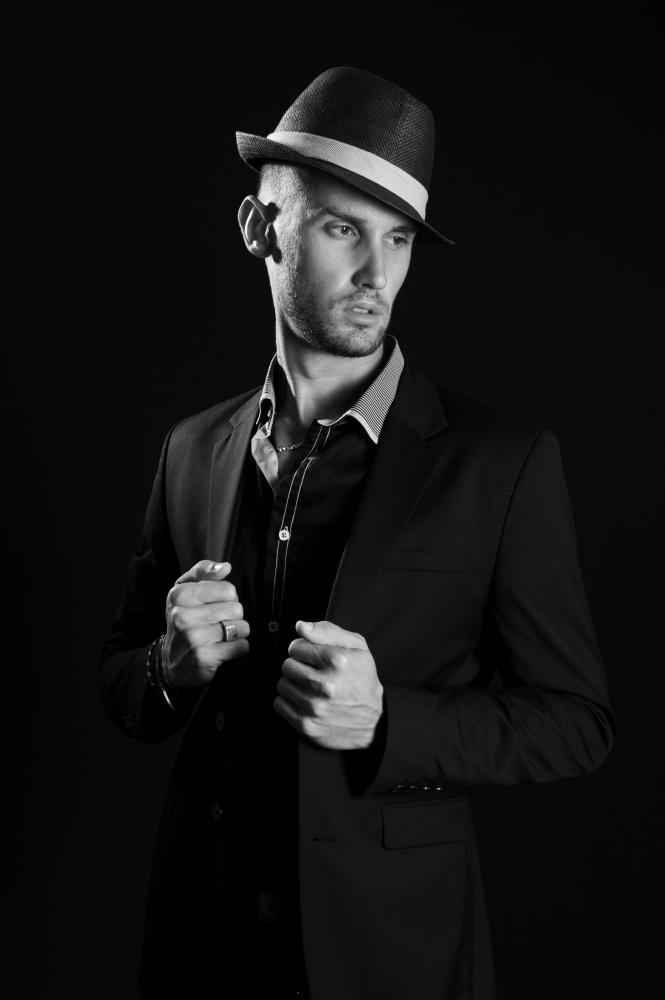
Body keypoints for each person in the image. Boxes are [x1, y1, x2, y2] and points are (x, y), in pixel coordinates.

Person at [100, 67, 615, 1000]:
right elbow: (121, 681)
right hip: (203, 946)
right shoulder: (190, 448)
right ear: (260, 228)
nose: (378, 275)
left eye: (399, 238)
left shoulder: (501, 463)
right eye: (344, 229)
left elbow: (576, 725)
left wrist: (388, 722)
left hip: (389, 955)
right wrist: (167, 668)